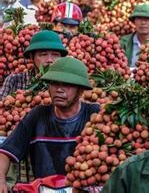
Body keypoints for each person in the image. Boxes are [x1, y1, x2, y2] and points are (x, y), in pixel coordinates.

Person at [0, 57, 98, 187]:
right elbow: (5, 152)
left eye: (67, 85)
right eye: (54, 84)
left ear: (80, 90)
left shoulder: (95, 115)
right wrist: (1, 180)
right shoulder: (37, 115)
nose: (59, 89)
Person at [0, 30, 68, 100]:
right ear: (32, 57)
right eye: (43, 54)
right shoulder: (14, 80)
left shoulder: (68, 83)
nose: (50, 60)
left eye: (55, 55)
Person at [120, 3, 149, 68]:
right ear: (134, 22)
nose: (143, 22)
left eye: (147, 18)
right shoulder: (124, 42)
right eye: (139, 18)